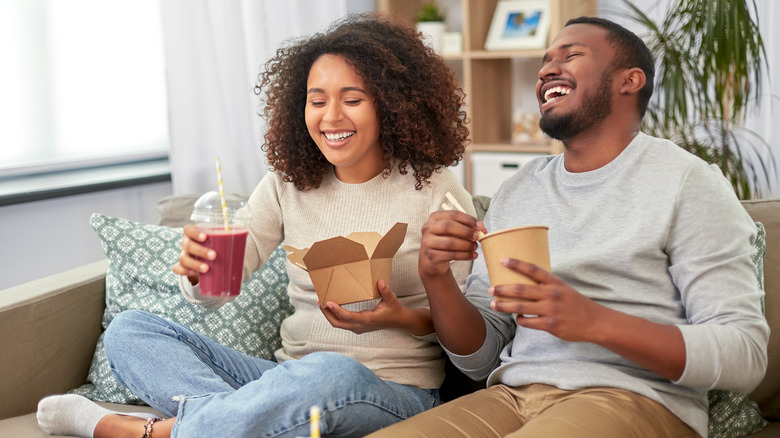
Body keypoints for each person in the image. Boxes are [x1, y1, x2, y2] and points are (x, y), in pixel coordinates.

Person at [36, 12, 476, 438]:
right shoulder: (288, 185)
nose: (331, 117)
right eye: (317, 101)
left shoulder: (435, 188)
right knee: (130, 330)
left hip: (392, 392)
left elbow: (466, 330)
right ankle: (258, 423)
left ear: (392, 105)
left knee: (332, 372)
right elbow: (216, 291)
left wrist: (399, 318)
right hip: (285, 378)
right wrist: (200, 269)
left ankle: (148, 432)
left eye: (353, 100)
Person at [368, 16, 769, 438]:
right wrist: (437, 279)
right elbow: (481, 359)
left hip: (634, 397)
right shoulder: (518, 190)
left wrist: (593, 321)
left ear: (629, 81)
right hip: (512, 396)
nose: (545, 71)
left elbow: (745, 354)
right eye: (544, 62)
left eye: (571, 56)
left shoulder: (687, 181)